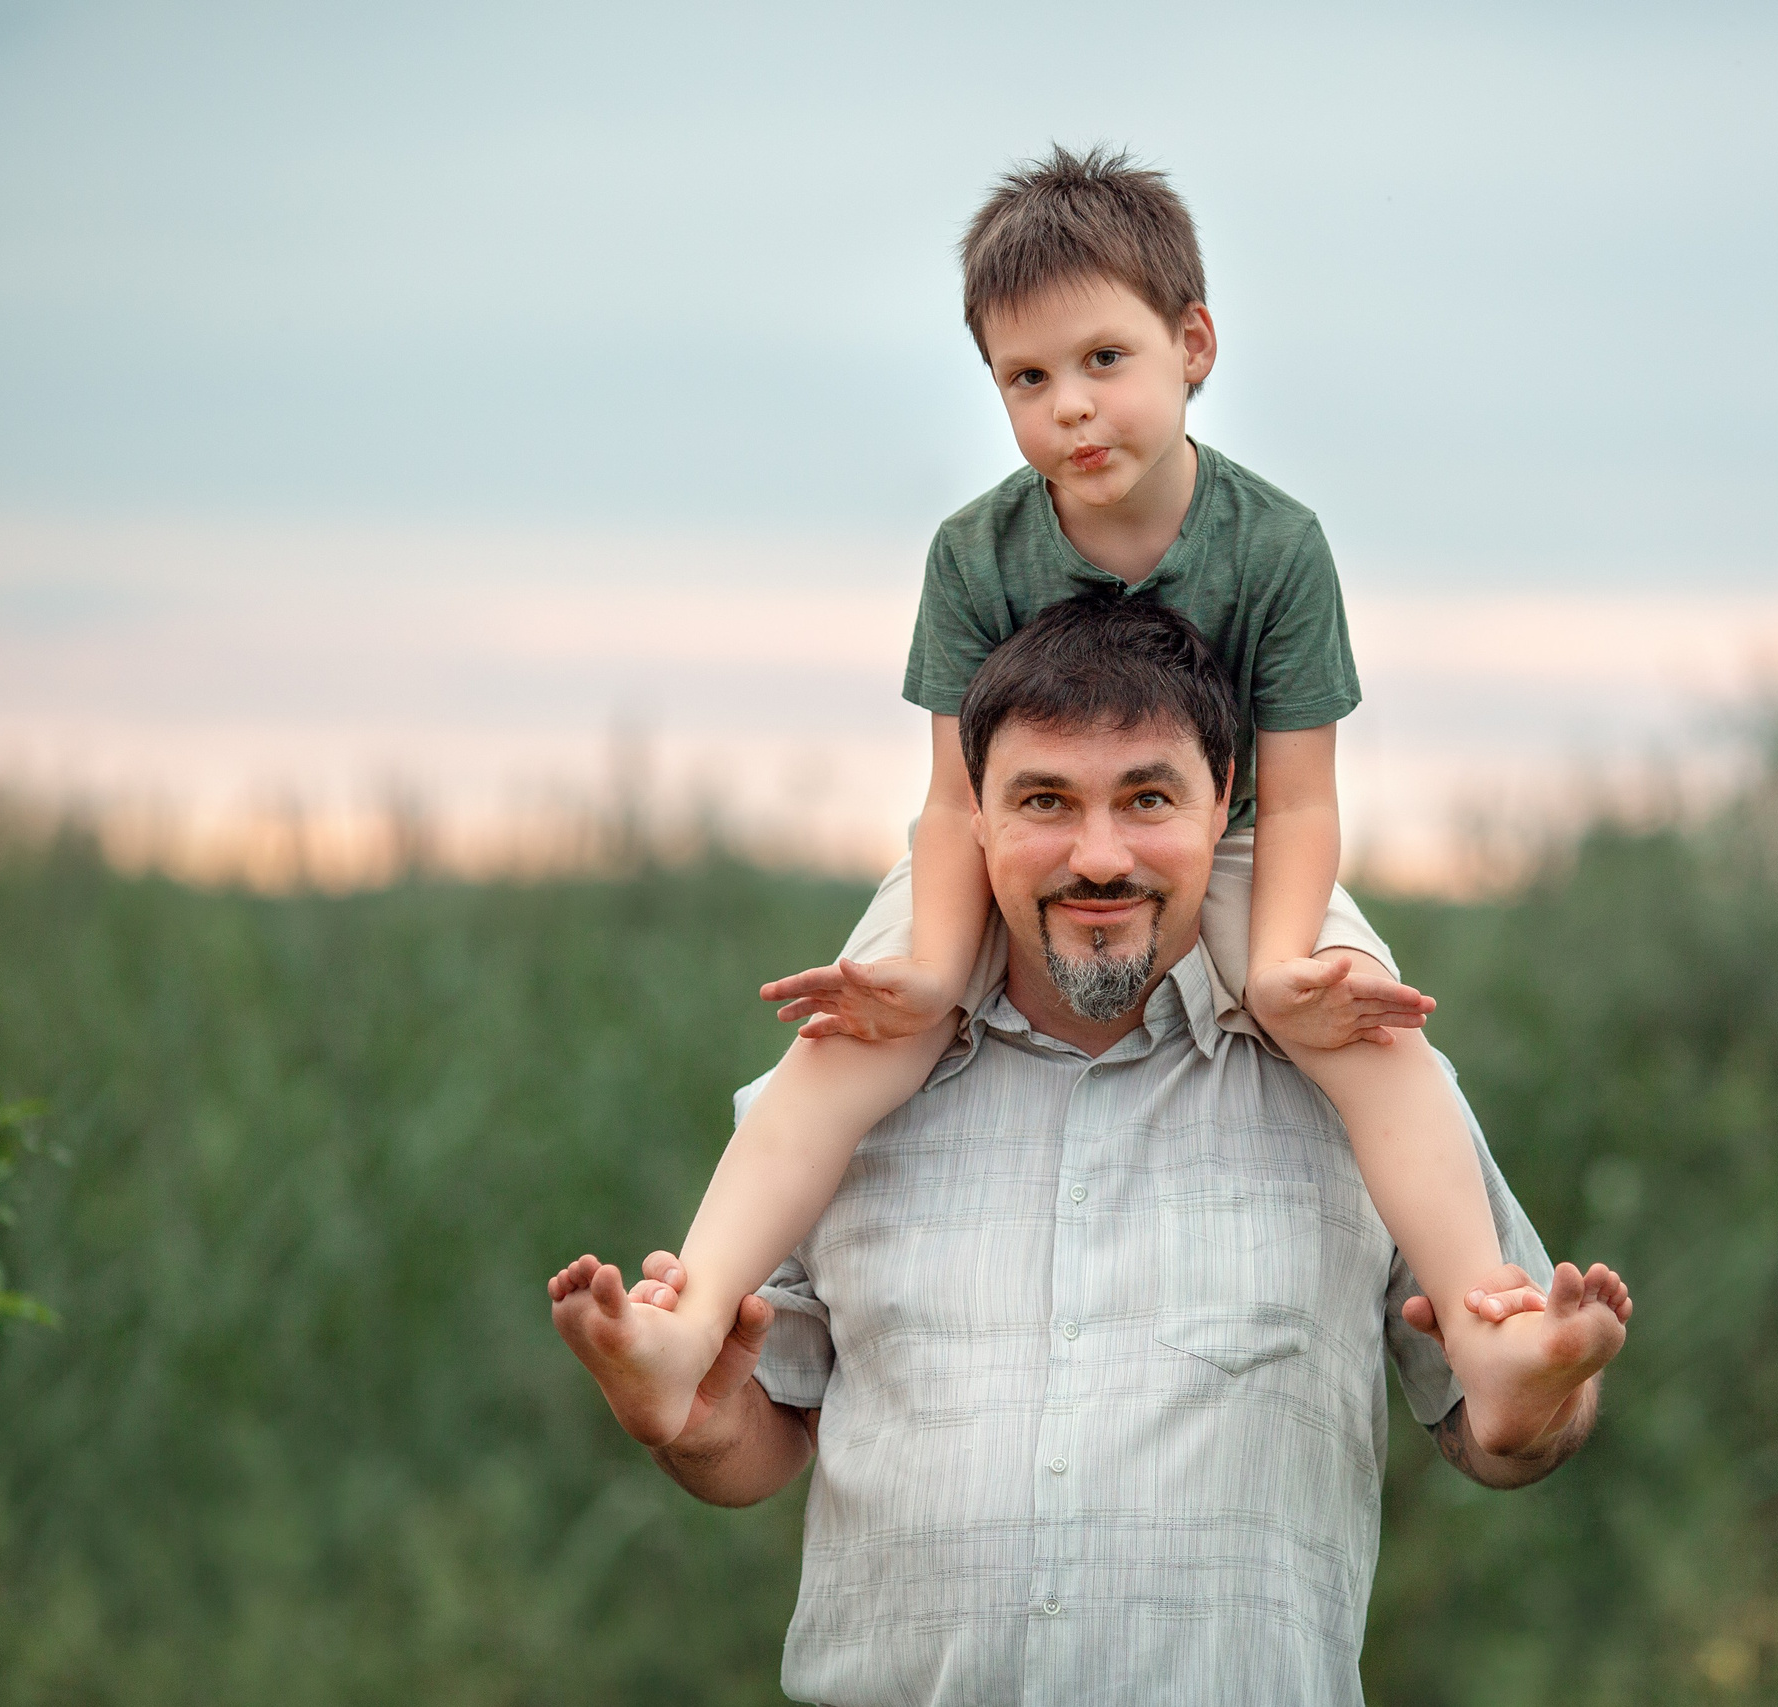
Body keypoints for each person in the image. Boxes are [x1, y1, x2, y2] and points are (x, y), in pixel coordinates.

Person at [571, 144, 1572, 1450]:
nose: (1072, 409)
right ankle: (684, 1320)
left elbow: (1300, 798)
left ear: (1192, 344)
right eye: (1027, 379)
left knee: (1373, 1036)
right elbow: (953, 802)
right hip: (1009, 844)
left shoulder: (1276, 545)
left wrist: (1283, 966)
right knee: (851, 1033)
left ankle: (1492, 1334)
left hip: (1230, 841)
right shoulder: (973, 552)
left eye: (1105, 359)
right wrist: (933, 970)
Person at [550, 594, 1632, 1702]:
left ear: (1226, 805)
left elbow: (1493, 1422)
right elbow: (763, 1444)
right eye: (1045, 801)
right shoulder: (831, 1098)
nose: (1100, 857)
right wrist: (689, 1421)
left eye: (1147, 798)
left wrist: (1544, 1400)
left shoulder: (1377, 1090)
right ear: (974, 817)